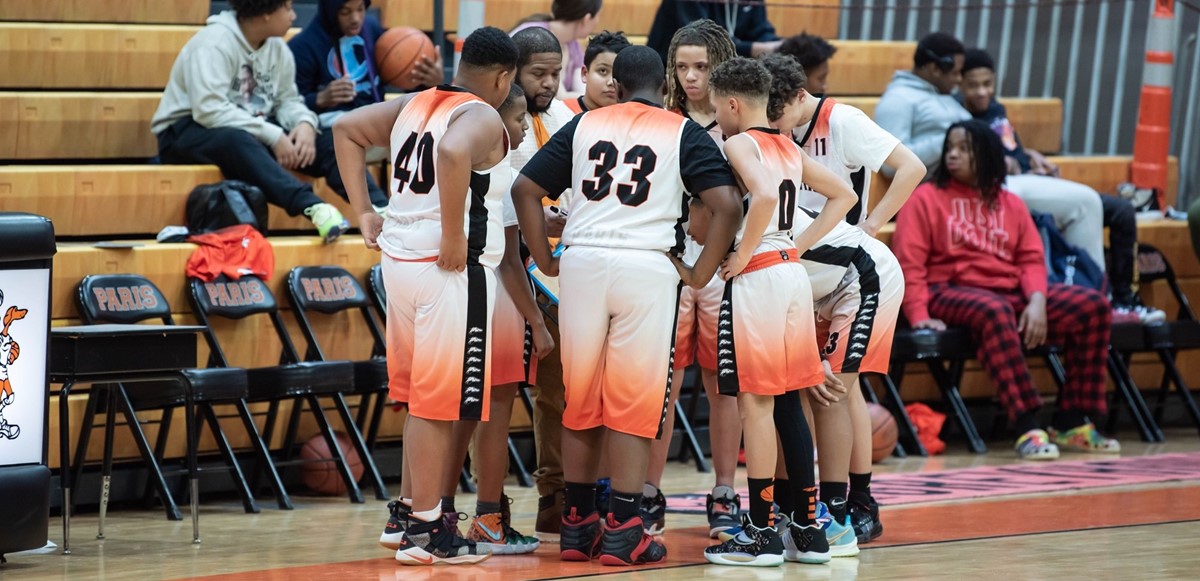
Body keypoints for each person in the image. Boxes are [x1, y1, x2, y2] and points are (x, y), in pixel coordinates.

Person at [512, 45, 742, 566]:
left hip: (583, 265)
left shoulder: (584, 124)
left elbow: (526, 188)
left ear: (615, 83)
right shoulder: (679, 130)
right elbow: (727, 204)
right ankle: (624, 527)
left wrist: (546, 259)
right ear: (663, 84)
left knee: (581, 400)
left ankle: (577, 525)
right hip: (645, 268)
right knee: (634, 404)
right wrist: (700, 272)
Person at [333, 25, 519, 565]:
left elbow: (345, 129)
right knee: (440, 403)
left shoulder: (415, 103)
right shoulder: (480, 114)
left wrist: (362, 211)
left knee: (421, 398)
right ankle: (427, 530)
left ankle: (407, 517)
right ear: (503, 77)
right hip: (447, 271)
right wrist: (454, 236)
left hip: (399, 261)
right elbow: (455, 153)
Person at [698, 56, 853, 567]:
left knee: (755, 406)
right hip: (789, 273)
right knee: (788, 402)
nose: (718, 118)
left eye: (719, 108)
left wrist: (742, 254)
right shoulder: (787, 145)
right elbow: (844, 194)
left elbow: (761, 194)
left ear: (734, 104)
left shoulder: (740, 142)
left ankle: (763, 533)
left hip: (760, 277)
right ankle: (806, 530)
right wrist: (797, 246)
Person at [892, 120, 1121, 461]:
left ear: (987, 155)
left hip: (1008, 293)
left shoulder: (1010, 203)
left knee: (1093, 306)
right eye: (950, 148)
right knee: (994, 309)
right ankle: (1026, 423)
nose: (953, 155)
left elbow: (1031, 258)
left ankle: (1073, 420)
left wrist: (1038, 301)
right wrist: (920, 315)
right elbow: (909, 263)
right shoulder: (924, 199)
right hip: (948, 291)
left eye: (964, 149)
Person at [762, 52, 919, 546]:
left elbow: (910, 168)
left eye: (777, 115)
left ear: (799, 98)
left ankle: (855, 500)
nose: (773, 125)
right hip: (808, 271)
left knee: (838, 389)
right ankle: (800, 502)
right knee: (805, 389)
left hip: (849, 264)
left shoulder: (843, 120)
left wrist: (872, 226)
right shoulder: (771, 137)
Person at [958, 48, 1164, 324]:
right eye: (973, 85)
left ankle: (1125, 299)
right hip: (1010, 192)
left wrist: (1031, 156)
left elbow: (1011, 148)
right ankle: (1099, 299)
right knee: (1084, 207)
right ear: (959, 84)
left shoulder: (996, 109)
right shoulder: (957, 117)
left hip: (1034, 180)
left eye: (988, 84)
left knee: (1122, 210)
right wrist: (1002, 163)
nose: (982, 92)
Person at [644, 18, 744, 540]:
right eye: (681, 67)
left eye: (702, 66)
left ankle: (725, 490)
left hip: (725, 265)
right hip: (672, 263)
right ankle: (647, 490)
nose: (690, 77)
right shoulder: (663, 119)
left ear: (722, 63)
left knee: (721, 381)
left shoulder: (743, 120)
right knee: (663, 381)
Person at [151, 0, 350, 243]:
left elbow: (287, 100)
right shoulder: (213, 43)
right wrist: (273, 135)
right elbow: (209, 111)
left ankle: (379, 208)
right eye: (287, 7)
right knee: (235, 139)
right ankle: (313, 206)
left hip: (248, 130)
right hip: (183, 132)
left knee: (327, 138)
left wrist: (305, 123)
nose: (294, 15)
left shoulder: (278, 48)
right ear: (265, 13)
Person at [506, 25, 579, 543]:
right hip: (507, 266)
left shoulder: (567, 118)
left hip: (558, 271)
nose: (550, 82)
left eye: (556, 72)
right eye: (539, 73)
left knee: (559, 390)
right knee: (496, 390)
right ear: (512, 71)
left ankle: (556, 497)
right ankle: (481, 502)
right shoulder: (493, 120)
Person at [289, 0, 409, 211]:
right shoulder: (302, 46)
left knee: (423, 135)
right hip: (332, 131)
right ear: (331, 11)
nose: (355, 18)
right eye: (345, 12)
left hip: (376, 123)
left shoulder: (371, 28)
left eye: (360, 10)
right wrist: (319, 99)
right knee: (338, 139)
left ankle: (425, 211)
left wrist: (424, 80)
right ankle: (380, 210)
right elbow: (288, 106)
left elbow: (396, 69)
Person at [873, 32, 971, 176]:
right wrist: (951, 140)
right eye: (955, 73)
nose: (959, 79)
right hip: (931, 192)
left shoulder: (948, 96)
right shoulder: (898, 99)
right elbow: (891, 164)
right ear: (935, 69)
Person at [511, 0, 603, 98]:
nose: (598, 21)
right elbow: (559, 97)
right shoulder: (535, 35)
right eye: (598, 15)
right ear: (586, 19)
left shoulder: (573, 44)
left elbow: (583, 88)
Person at [647, 0, 780, 62]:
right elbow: (701, 37)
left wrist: (781, 47)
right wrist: (752, 49)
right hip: (673, 70)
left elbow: (761, 30)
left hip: (725, 70)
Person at [564, 30, 631, 114]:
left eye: (619, 73)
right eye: (603, 71)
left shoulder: (630, 119)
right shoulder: (562, 111)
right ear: (585, 74)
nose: (611, 82)